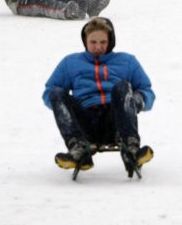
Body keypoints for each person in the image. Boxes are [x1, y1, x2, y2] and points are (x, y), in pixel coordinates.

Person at [43, 17, 154, 174]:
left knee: (123, 86)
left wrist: (136, 101)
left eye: (103, 42)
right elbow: (49, 92)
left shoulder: (127, 61)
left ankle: (131, 148)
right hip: (85, 121)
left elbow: (147, 91)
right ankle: (78, 148)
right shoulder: (70, 63)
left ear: (111, 41)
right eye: (93, 42)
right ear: (85, 41)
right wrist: (60, 104)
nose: (98, 47)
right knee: (56, 92)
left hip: (117, 120)